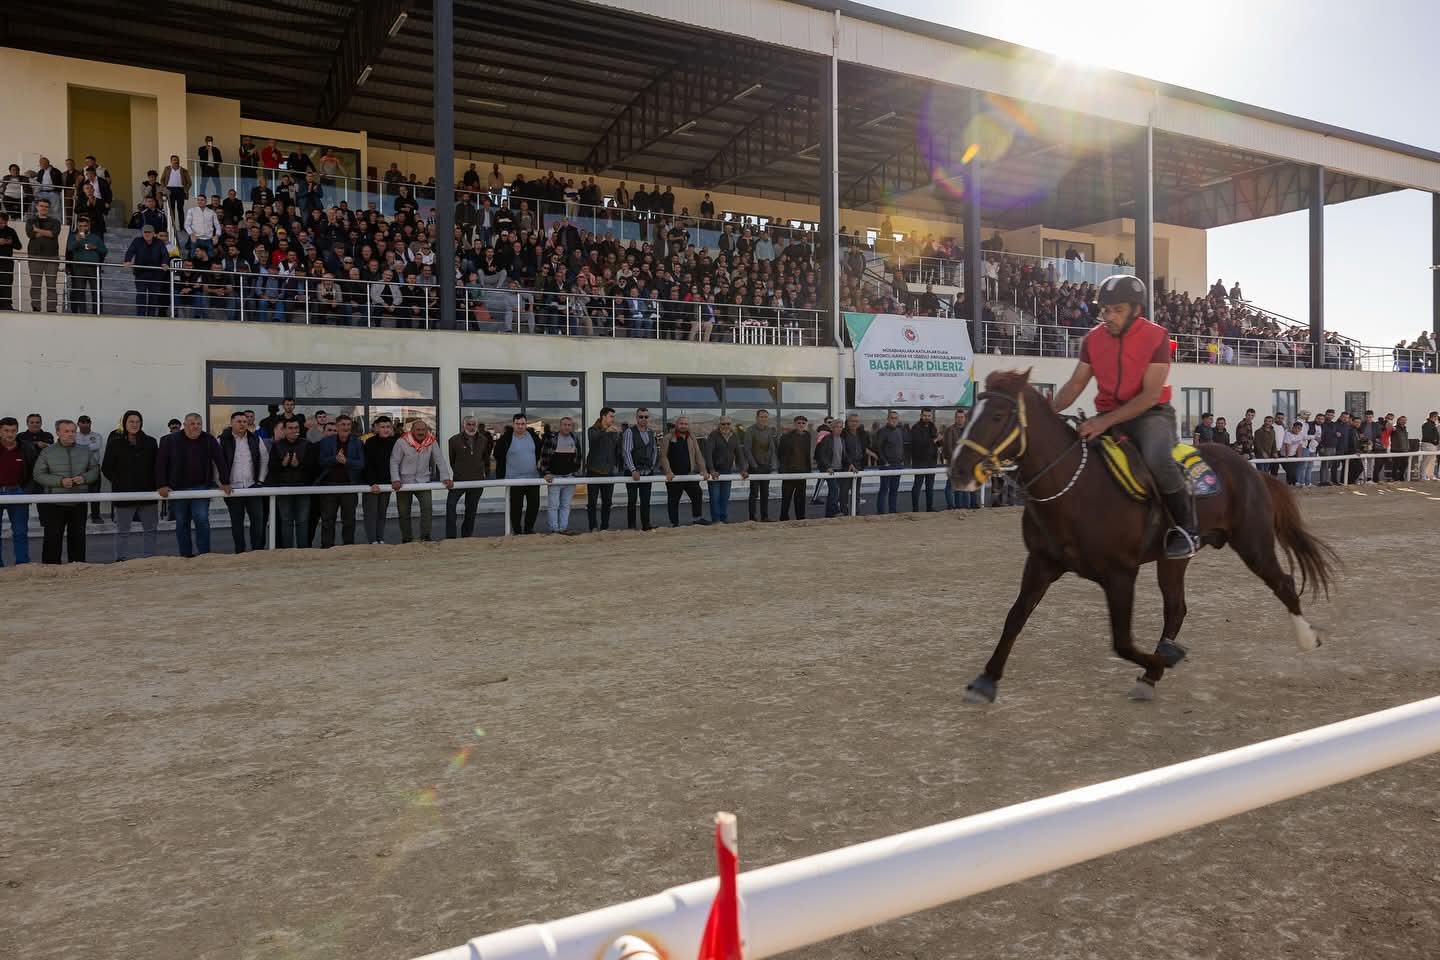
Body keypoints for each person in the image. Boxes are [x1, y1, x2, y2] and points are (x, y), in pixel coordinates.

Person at [1054, 275, 1195, 558]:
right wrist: (1045, 412)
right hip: (1107, 413)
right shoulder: (1092, 339)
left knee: (1157, 459)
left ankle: (1186, 529)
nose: (1109, 317)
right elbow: (1075, 385)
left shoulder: (1157, 337)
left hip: (1151, 414)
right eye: (1105, 310)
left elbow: (1150, 395)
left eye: (1117, 310)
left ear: (1136, 310)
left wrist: (1103, 422)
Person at [157, 412, 228, 558]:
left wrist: (225, 481)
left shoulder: (209, 439)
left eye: (199, 424)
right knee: (182, 522)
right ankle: (186, 556)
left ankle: (204, 555)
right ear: (184, 425)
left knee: (201, 519)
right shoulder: (169, 440)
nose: (196, 427)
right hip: (177, 489)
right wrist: (162, 484)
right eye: (192, 424)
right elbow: (160, 463)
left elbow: (220, 460)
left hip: (201, 487)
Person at [33, 419, 99, 564]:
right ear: (58, 432)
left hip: (78, 503)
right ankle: (50, 570)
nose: (70, 434)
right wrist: (60, 481)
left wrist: (84, 478)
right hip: (54, 503)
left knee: (78, 539)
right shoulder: (47, 452)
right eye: (66, 431)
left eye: (73, 431)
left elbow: (95, 470)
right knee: (52, 540)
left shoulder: (85, 450)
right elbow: (38, 474)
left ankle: (77, 569)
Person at [101, 410, 159, 561]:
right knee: (123, 530)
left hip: (148, 493)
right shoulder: (115, 443)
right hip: (124, 494)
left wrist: (157, 484)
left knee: (150, 529)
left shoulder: (151, 442)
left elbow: (157, 466)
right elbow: (107, 468)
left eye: (137, 422)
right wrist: (120, 482)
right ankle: (120, 560)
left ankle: (150, 559)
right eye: (131, 422)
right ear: (125, 423)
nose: (134, 425)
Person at [390, 418, 453, 543]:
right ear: (412, 430)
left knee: (427, 509)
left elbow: (439, 459)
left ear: (427, 430)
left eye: (423, 429)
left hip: (423, 481)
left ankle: (425, 536)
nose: (421, 432)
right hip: (404, 483)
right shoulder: (401, 441)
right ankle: (406, 538)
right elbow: (394, 461)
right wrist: (395, 479)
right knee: (403, 512)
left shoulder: (431, 441)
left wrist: (445, 477)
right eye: (418, 429)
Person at [216, 410, 269, 553]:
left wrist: (260, 480)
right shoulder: (222, 440)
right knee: (237, 523)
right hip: (233, 489)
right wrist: (221, 483)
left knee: (258, 521)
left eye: (245, 421)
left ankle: (257, 551)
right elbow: (215, 463)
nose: (242, 424)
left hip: (253, 487)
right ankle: (240, 552)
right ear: (231, 423)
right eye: (239, 421)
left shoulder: (256, 439)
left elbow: (264, 458)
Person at [316, 414, 364, 547]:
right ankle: (327, 548)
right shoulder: (326, 441)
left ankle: (348, 547)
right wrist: (335, 459)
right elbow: (321, 461)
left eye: (348, 425)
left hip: (349, 486)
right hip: (329, 486)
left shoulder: (358, 442)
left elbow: (361, 464)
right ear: (336, 426)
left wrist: (346, 461)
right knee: (327, 520)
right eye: (343, 424)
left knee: (349, 521)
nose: (346, 427)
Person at [493, 413, 543, 534]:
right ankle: (517, 531)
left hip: (533, 478)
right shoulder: (506, 438)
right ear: (513, 424)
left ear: (526, 424)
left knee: (534, 505)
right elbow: (497, 454)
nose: (520, 426)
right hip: (514, 479)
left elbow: (540, 451)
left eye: (522, 424)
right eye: (517, 424)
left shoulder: (533, 436)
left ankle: (529, 529)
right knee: (516, 507)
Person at [267, 418, 313, 547]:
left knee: (303, 521)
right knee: (286, 521)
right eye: (290, 428)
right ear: (285, 430)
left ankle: (303, 551)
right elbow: (271, 467)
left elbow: (313, 467)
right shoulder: (277, 445)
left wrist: (299, 465)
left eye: (296, 428)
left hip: (303, 488)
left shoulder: (307, 444)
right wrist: (283, 464)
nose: (294, 431)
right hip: (284, 488)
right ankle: (287, 551)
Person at [446, 416, 492, 539]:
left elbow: (486, 459)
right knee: (450, 507)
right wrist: (459, 473)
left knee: (471, 512)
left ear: (476, 425)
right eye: (469, 424)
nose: (471, 427)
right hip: (458, 481)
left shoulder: (483, 440)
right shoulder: (454, 440)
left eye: (473, 424)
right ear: (464, 425)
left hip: (477, 481)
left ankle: (466, 537)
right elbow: (452, 460)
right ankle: (451, 537)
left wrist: (486, 475)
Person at [659, 416, 709, 528]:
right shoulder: (668, 438)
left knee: (697, 494)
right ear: (677, 425)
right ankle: (674, 523)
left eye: (686, 424)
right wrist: (668, 472)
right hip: (674, 476)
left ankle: (697, 518)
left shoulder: (691, 437)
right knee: (673, 500)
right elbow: (663, 456)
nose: (683, 426)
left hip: (689, 475)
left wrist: (703, 470)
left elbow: (698, 454)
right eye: (681, 423)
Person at [0, 416, 37, 566]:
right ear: (0, 431)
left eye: (13, 430)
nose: (10, 434)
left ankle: (22, 565)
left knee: (21, 532)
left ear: (17, 431)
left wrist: (27, 492)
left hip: (18, 493)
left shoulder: (26, 448)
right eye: (6, 430)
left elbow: (35, 472)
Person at [540, 416, 584, 534]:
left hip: (570, 478)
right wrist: (546, 473)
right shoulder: (552, 438)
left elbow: (578, 457)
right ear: (560, 426)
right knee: (553, 506)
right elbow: (544, 456)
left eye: (569, 425)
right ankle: (554, 530)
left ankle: (563, 529)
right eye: (564, 424)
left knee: (566, 505)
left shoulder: (574, 438)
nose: (567, 427)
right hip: (554, 478)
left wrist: (576, 473)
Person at [584, 407, 622, 531]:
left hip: (609, 472)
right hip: (594, 471)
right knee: (592, 502)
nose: (613, 419)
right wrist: (605, 430)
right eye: (611, 416)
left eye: (613, 417)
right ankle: (593, 527)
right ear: (603, 417)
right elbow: (593, 439)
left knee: (607, 502)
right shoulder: (592, 430)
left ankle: (605, 527)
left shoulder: (613, 432)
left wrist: (616, 465)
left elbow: (616, 450)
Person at [702, 416, 747, 523]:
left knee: (725, 496)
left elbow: (739, 454)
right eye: (723, 424)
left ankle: (724, 519)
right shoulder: (713, 435)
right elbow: (708, 454)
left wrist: (743, 469)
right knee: (715, 497)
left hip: (727, 471)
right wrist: (711, 470)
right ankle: (716, 520)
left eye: (728, 424)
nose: (726, 426)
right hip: (715, 472)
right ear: (719, 424)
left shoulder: (734, 436)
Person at [362, 416, 399, 543]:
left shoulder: (395, 442)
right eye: (382, 427)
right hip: (372, 484)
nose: (385, 429)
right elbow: (367, 464)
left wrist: (394, 479)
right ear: (376, 428)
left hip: (387, 483)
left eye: (388, 427)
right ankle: (372, 540)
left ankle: (380, 539)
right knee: (371, 514)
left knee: (382, 513)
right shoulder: (370, 442)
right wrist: (372, 483)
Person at [622, 407, 658, 531]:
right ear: (636, 418)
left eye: (646, 417)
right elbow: (626, 452)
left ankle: (646, 525)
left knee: (646, 500)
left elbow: (654, 451)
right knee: (632, 500)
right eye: (641, 416)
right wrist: (633, 470)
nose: (643, 419)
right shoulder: (629, 432)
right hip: (632, 473)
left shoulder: (651, 432)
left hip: (647, 473)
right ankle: (631, 526)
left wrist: (652, 466)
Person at [25, 198, 62, 312]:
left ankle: (52, 309)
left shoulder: (55, 222)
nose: (44, 208)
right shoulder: (30, 221)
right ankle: (36, 308)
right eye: (41, 206)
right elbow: (31, 235)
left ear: (49, 208)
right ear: (37, 207)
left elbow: (53, 234)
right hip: (34, 256)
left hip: (52, 257)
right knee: (35, 285)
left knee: (51, 285)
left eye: (46, 206)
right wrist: (46, 232)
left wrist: (37, 230)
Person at [65, 216, 107, 314]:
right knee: (79, 291)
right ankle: (82, 314)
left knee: (96, 291)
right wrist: (77, 240)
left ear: (89, 226)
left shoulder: (95, 237)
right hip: (78, 267)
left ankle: (97, 313)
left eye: (85, 226)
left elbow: (104, 251)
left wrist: (95, 247)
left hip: (93, 267)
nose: (82, 228)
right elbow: (69, 249)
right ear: (77, 226)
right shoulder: (73, 236)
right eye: (80, 226)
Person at [744, 410, 780, 521]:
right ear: (757, 418)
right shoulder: (750, 430)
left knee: (765, 493)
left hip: (766, 467)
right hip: (754, 467)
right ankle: (752, 518)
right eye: (761, 417)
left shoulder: (769, 430)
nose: (764, 419)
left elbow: (772, 448)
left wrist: (773, 465)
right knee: (754, 493)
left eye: (765, 417)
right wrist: (754, 465)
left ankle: (765, 517)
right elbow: (747, 449)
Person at [776, 414, 812, 521]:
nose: (801, 425)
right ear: (794, 424)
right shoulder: (786, 437)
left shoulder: (808, 436)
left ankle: (801, 518)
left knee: (801, 498)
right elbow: (780, 453)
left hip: (802, 472)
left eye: (803, 423)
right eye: (799, 423)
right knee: (786, 498)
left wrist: (808, 469)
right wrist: (782, 469)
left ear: (806, 424)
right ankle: (783, 518)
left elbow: (808, 453)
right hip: (789, 472)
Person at [940, 409, 978, 509]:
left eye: (962, 417)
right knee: (951, 486)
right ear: (955, 418)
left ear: (965, 418)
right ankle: (952, 506)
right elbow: (948, 448)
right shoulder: (950, 430)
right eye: (958, 417)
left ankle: (965, 507)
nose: (960, 419)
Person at [908, 407, 940, 512]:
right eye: (925, 415)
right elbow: (919, 444)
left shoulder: (932, 426)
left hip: (931, 461)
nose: (927, 418)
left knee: (930, 486)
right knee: (917, 486)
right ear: (921, 416)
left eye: (929, 416)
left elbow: (936, 442)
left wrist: (940, 440)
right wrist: (934, 440)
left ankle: (929, 508)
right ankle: (915, 509)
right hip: (919, 461)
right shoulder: (915, 428)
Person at [0, 211, 20, 311]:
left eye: (4, 223)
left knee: (7, 282)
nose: (2, 225)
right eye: (0, 223)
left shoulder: (11, 231)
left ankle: (6, 304)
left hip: (7, 262)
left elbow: (19, 246)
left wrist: (9, 242)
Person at [1421, 412, 1440, 482]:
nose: (1437, 418)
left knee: (1432, 460)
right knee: (1426, 460)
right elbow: (1427, 435)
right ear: (1433, 416)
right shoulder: (1426, 424)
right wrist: (1434, 440)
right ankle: (1423, 476)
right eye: (1436, 416)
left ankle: (1430, 475)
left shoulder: (1433, 424)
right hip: (1428, 444)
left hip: (1433, 444)